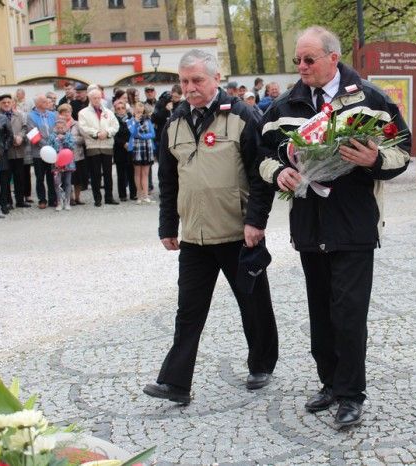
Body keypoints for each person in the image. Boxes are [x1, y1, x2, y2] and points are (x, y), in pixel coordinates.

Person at [258, 26, 410, 428]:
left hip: (354, 223)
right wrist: (279, 174)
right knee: (321, 312)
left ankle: (351, 393)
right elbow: (261, 154)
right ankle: (329, 382)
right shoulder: (285, 104)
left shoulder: (371, 99)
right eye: (297, 60)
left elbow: (402, 151)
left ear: (333, 58)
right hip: (309, 223)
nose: (301, 66)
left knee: (349, 313)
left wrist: (374, 160)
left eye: (309, 59)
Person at [143, 49, 278, 405]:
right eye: (184, 81)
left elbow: (261, 174)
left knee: (253, 303)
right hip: (195, 236)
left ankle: (262, 364)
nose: (190, 88)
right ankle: (175, 383)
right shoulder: (174, 122)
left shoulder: (242, 116)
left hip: (238, 232)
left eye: (197, 80)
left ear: (216, 78)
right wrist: (167, 225)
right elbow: (168, 179)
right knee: (188, 311)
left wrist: (256, 221)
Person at [78, 88, 120, 207]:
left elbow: (115, 126)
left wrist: (107, 132)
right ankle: (97, 198)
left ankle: (109, 197)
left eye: (98, 98)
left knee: (108, 173)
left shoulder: (108, 112)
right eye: (94, 98)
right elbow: (83, 128)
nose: (97, 100)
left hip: (107, 144)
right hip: (93, 145)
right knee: (95, 174)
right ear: (89, 99)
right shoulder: (83, 113)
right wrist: (96, 134)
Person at [27, 94, 58, 209]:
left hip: (52, 151)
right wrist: (47, 146)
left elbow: (56, 129)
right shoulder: (30, 116)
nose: (48, 103)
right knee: (40, 177)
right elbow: (33, 133)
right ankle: (42, 199)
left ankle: (53, 199)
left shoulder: (52, 115)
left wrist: (53, 145)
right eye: (45, 101)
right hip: (38, 152)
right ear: (38, 103)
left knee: (51, 176)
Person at [57, 103, 87, 205]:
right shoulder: (58, 125)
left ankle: (78, 197)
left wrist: (70, 139)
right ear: (60, 114)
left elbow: (83, 138)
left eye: (68, 111)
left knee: (78, 179)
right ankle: (70, 198)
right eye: (64, 112)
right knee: (67, 179)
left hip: (77, 155)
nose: (67, 114)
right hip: (63, 156)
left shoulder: (77, 124)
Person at [127, 101, 154, 203]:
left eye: (141, 110)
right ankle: (139, 195)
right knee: (137, 173)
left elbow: (152, 134)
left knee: (145, 173)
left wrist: (142, 136)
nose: (139, 112)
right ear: (134, 110)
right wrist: (136, 122)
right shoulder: (130, 121)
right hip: (136, 148)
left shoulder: (148, 120)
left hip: (147, 148)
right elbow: (133, 133)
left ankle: (146, 195)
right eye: (137, 110)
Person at [46, 117, 76, 211]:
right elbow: (49, 148)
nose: (60, 129)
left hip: (68, 163)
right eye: (58, 128)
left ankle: (67, 202)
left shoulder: (69, 136)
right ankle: (59, 202)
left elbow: (72, 146)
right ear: (55, 128)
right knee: (57, 183)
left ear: (65, 128)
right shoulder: (52, 136)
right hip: (56, 163)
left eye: (62, 128)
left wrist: (64, 139)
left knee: (67, 182)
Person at [112, 99, 135, 201]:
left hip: (131, 148)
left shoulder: (131, 118)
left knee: (132, 172)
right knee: (121, 173)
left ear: (126, 109)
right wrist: (123, 143)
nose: (121, 110)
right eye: (118, 108)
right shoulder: (113, 119)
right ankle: (122, 195)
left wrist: (130, 142)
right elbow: (114, 134)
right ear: (115, 110)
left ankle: (133, 193)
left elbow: (134, 131)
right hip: (119, 149)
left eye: (122, 108)